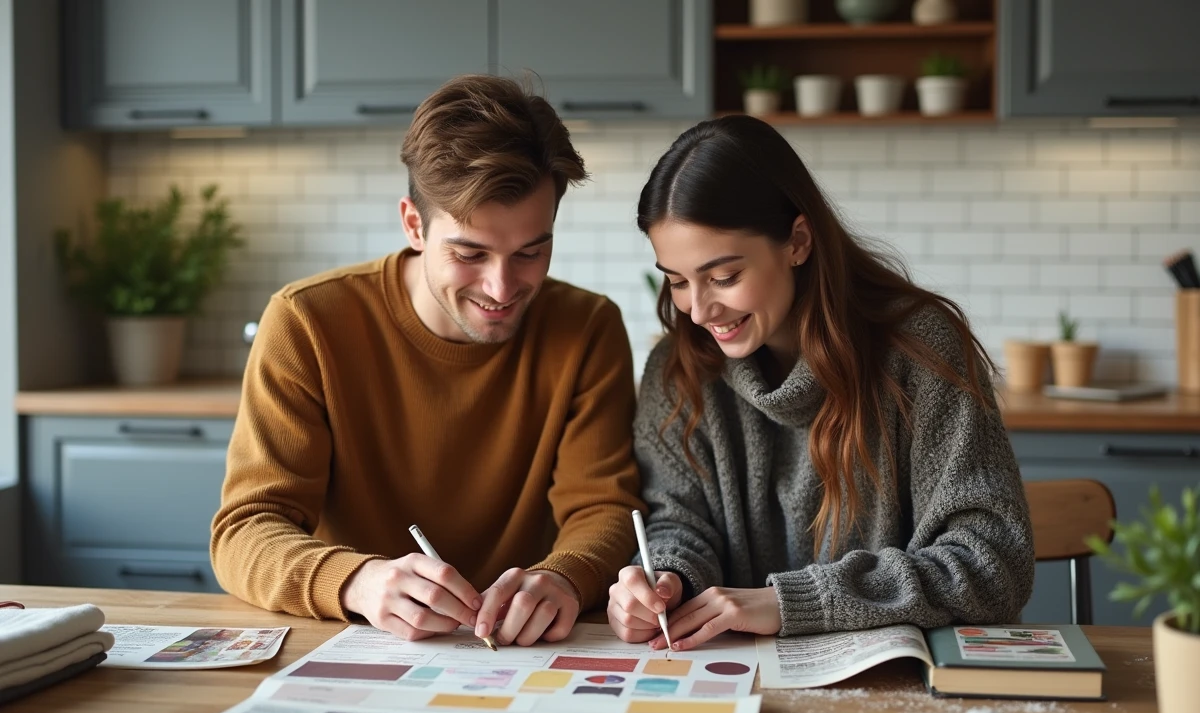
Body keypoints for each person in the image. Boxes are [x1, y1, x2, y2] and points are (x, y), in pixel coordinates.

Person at [212, 75, 642, 647]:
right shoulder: (306, 322)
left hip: (530, 650)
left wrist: (566, 575)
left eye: (531, 252)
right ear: (414, 225)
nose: (502, 286)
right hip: (356, 643)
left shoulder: (587, 328)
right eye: (470, 254)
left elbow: (604, 507)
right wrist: (359, 582)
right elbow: (245, 530)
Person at [607, 115, 1034, 651]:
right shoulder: (678, 367)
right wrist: (667, 580)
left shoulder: (921, 349)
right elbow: (677, 520)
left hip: (901, 684)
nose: (697, 310)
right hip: (733, 677)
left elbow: (992, 562)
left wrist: (793, 602)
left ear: (798, 241)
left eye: (724, 277)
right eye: (677, 281)